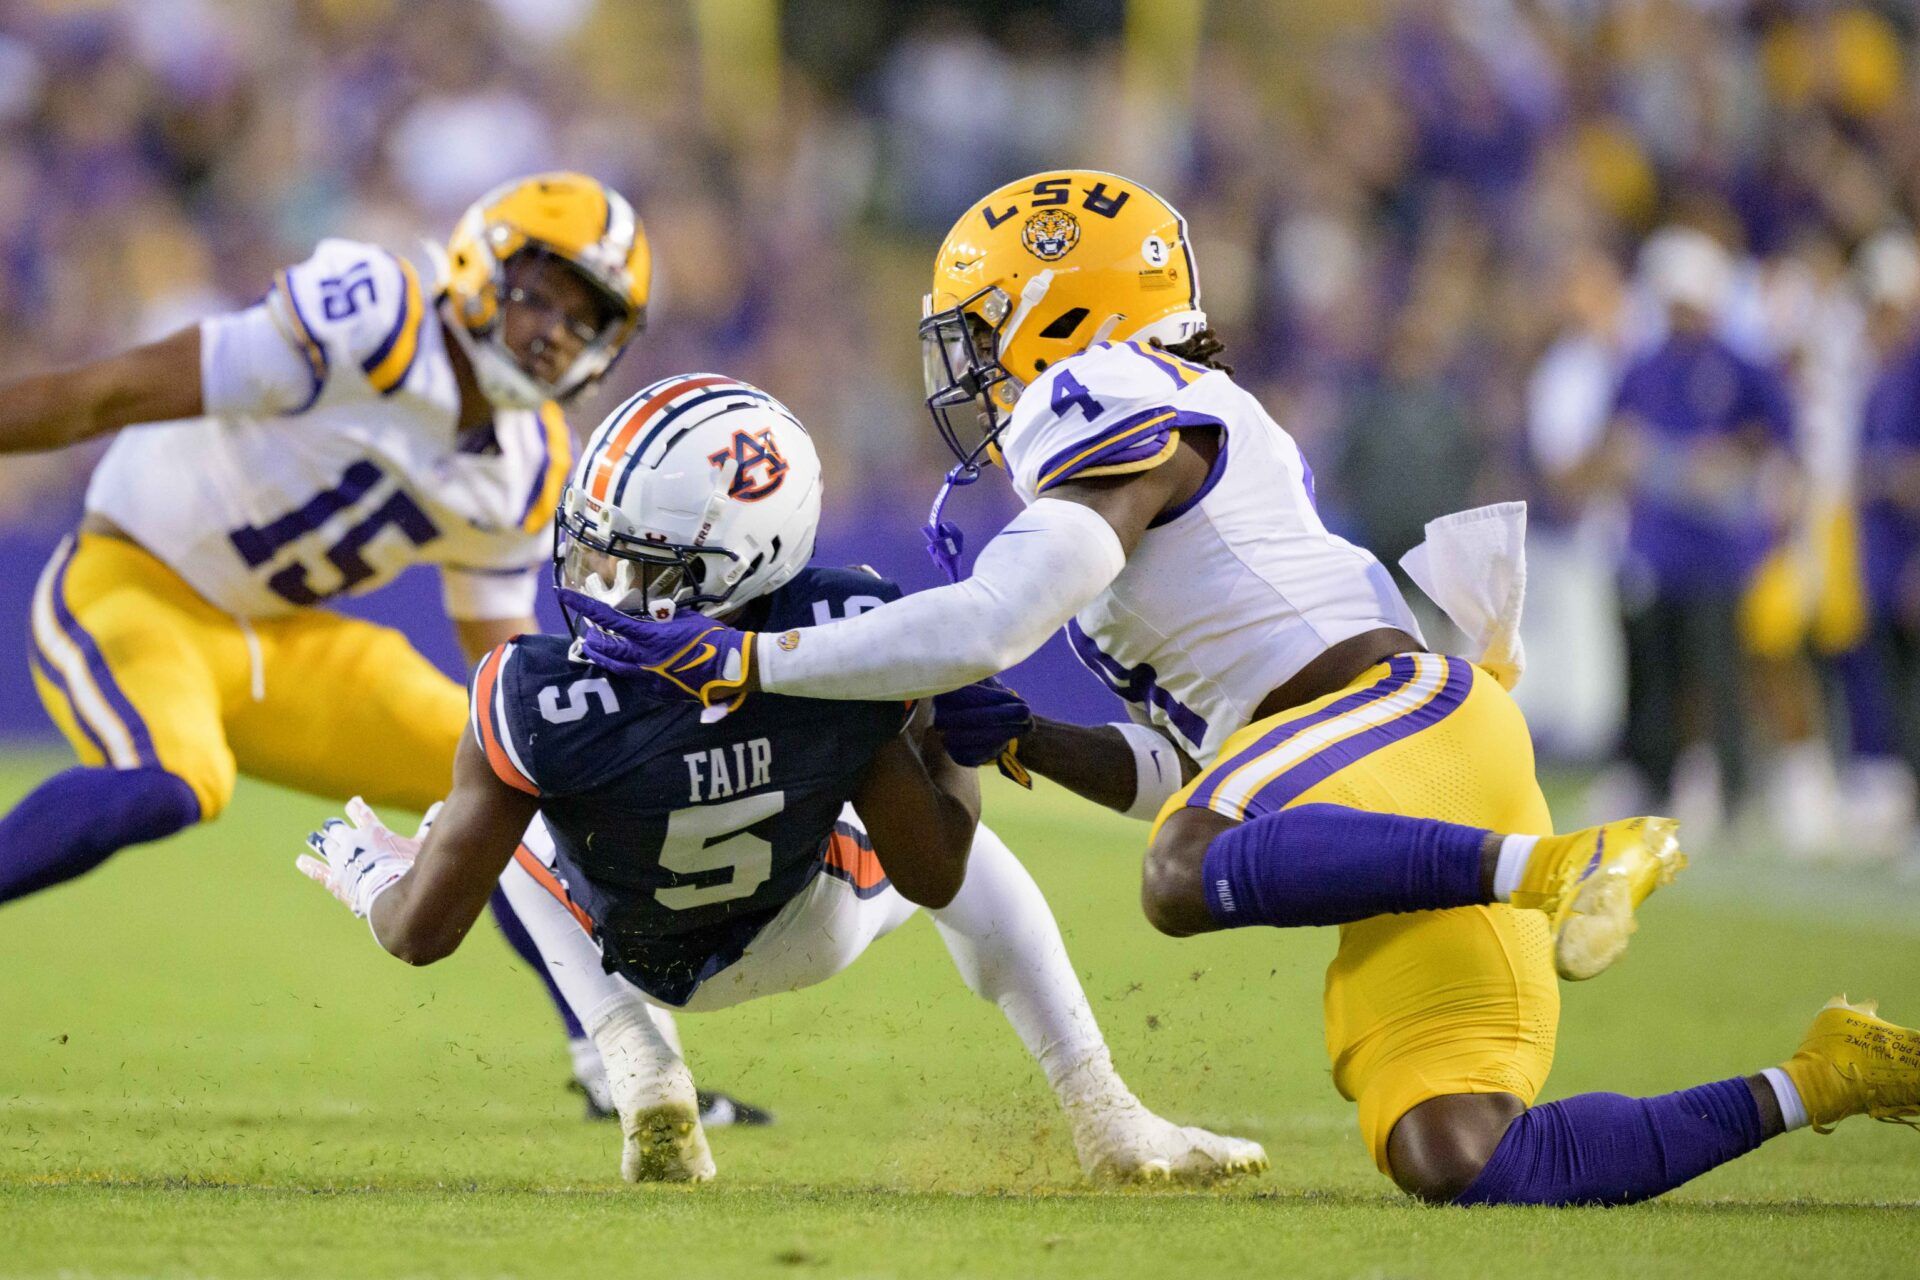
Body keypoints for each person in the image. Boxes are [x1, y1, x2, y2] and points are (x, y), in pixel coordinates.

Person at [564, 171, 1920, 1204]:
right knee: (1460, 1157)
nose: (968, 366)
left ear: (1067, 307)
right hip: (1398, 758)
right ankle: (1826, 1075)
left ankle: (1561, 865)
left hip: (1384, 714)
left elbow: (988, 618)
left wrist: (748, 658)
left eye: (983, 327)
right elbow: (1181, 763)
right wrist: (1033, 738)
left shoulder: (1107, 387)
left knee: (1183, 875)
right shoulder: (1157, 441)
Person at [296, 374, 1269, 1184]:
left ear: (740, 560)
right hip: (817, 920)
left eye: (639, 564)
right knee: (979, 856)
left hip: (646, 954)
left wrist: (371, 872)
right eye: (596, 544)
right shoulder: (845, 627)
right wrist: (948, 747)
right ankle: (1102, 1107)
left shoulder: (535, 693)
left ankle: (640, 1063)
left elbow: (421, 932)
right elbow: (933, 870)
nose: (601, 583)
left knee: (484, 810)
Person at [0, 171, 758, 1126]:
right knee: (171, 784)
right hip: (136, 583)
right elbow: (105, 394)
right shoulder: (369, 315)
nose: (555, 330)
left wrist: (595, 747)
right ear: (482, 263)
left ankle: (618, 1065)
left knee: (521, 777)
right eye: (541, 294)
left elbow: (505, 674)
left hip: (286, 644)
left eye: (585, 317)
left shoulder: (530, 465)